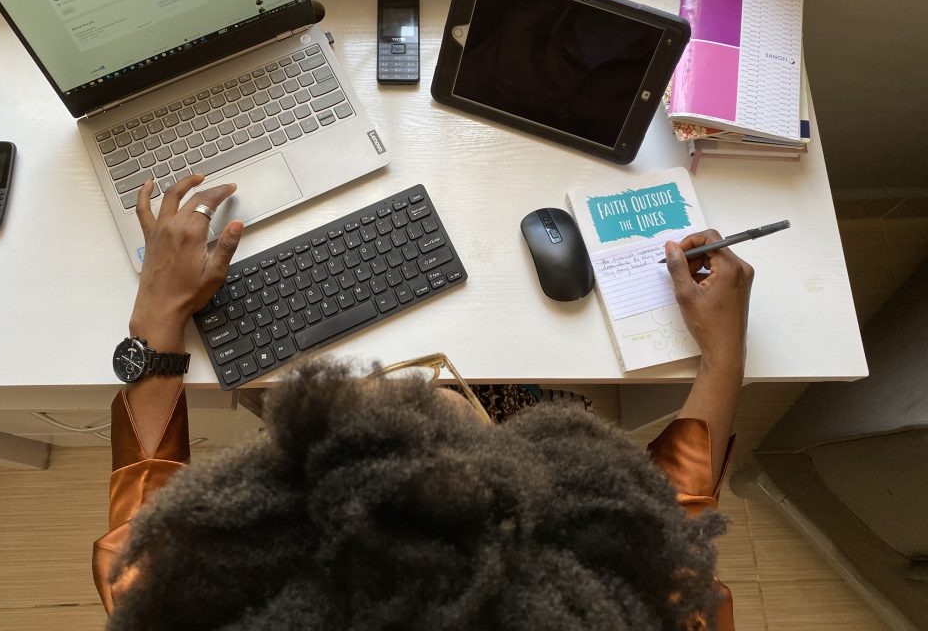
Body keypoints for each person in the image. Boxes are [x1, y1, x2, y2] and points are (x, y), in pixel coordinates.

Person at [93, 174, 754, 630]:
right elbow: (665, 538)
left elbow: (147, 536)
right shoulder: (636, 609)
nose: (433, 388)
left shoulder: (171, 597)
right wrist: (723, 356)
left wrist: (159, 312)